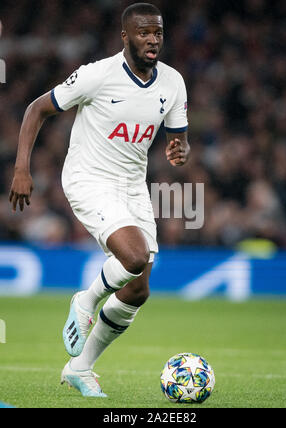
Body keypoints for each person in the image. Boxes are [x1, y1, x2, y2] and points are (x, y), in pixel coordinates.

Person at [9, 2, 190, 397]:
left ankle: (80, 367)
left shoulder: (173, 82)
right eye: (143, 33)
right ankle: (86, 299)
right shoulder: (97, 75)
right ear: (125, 37)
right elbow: (36, 109)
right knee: (135, 256)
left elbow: (178, 137)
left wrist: (180, 150)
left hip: (133, 186)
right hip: (89, 179)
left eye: (157, 32)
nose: (152, 40)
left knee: (138, 289)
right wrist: (23, 168)